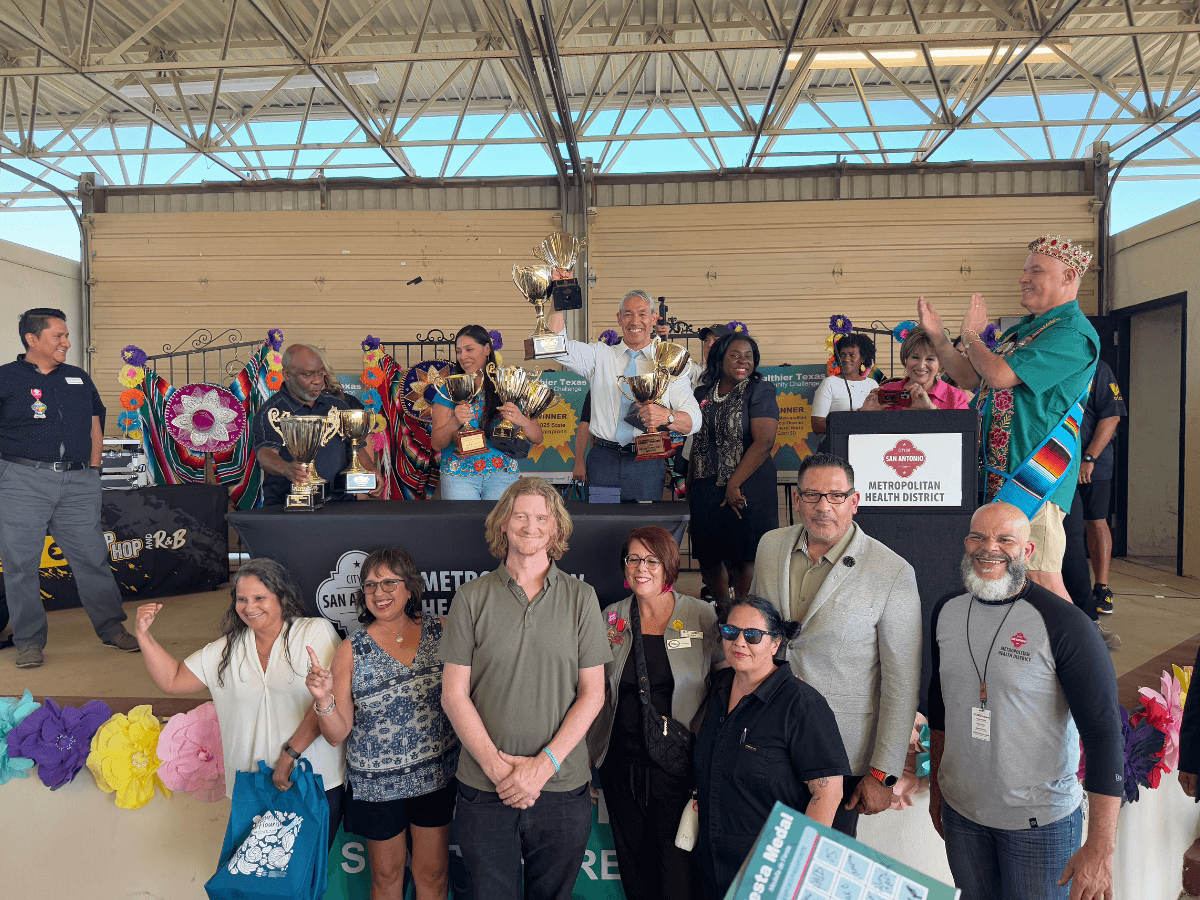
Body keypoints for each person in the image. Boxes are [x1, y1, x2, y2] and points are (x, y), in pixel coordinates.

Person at [927, 502, 1123, 900]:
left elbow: (1103, 734)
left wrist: (1102, 845)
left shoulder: (1066, 624)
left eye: (1005, 539)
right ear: (966, 544)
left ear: (1027, 551)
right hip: (964, 816)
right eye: (978, 537)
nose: (989, 548)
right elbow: (940, 704)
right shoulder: (946, 611)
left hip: (1041, 825)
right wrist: (937, 789)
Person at [440, 477, 610, 900]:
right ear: (502, 524)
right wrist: (500, 771)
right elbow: (453, 694)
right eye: (520, 516)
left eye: (541, 518)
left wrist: (541, 767)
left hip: (561, 786)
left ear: (556, 530)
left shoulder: (582, 598)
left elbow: (594, 694)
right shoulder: (470, 597)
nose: (530, 526)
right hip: (485, 786)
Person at [918, 236, 1100, 601]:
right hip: (1000, 477)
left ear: (1067, 277)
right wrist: (939, 338)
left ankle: (1077, 656)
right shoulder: (1026, 329)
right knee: (1004, 576)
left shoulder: (1072, 333)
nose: (1023, 278)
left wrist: (970, 335)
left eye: (1036, 270)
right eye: (1024, 270)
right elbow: (972, 376)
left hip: (1035, 478)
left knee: (1041, 577)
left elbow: (998, 374)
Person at [750, 452, 921, 837]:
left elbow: (901, 684)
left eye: (835, 496)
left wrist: (883, 774)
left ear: (854, 501)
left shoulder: (893, 572)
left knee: (819, 870)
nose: (823, 506)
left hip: (840, 754)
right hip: (765, 740)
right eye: (811, 495)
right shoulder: (770, 547)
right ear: (796, 500)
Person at [134, 558, 346, 841]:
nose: (249, 607)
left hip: (313, 781)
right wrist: (143, 635)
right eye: (242, 599)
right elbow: (173, 680)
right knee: (258, 881)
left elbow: (320, 703)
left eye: (260, 598)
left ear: (281, 597)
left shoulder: (313, 632)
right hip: (251, 787)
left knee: (304, 879)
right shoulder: (227, 648)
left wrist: (289, 756)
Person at [304, 547, 459, 900]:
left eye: (389, 582)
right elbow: (337, 733)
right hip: (377, 785)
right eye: (370, 585)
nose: (379, 593)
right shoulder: (351, 649)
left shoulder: (443, 629)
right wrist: (324, 699)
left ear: (410, 588)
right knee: (387, 877)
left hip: (434, 775)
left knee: (432, 875)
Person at [0, 307, 139, 669]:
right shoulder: (5, 379)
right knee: (21, 565)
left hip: (79, 482)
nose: (67, 342)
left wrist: (93, 470)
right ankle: (29, 641)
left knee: (92, 558)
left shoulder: (78, 378)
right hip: (22, 480)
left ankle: (112, 629)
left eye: (66, 335)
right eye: (58, 336)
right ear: (32, 339)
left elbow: (96, 425)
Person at [586, 526, 720, 900]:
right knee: (634, 871)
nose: (641, 568)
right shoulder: (611, 619)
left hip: (678, 768)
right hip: (619, 766)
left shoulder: (701, 615)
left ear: (669, 565)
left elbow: (724, 687)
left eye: (651, 560)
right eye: (633, 559)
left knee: (676, 875)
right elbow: (590, 691)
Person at [693, 595, 850, 900]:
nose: (739, 642)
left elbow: (828, 792)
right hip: (712, 865)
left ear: (775, 644)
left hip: (770, 871)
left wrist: (795, 871)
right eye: (731, 632)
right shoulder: (719, 686)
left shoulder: (803, 705)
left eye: (752, 635)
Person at [547, 290, 701, 502]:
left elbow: (695, 419)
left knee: (643, 531)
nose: (635, 321)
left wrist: (666, 417)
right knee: (602, 529)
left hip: (646, 461)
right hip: (604, 461)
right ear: (619, 318)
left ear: (654, 319)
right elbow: (554, 347)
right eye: (628, 314)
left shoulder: (669, 362)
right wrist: (560, 294)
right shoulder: (599, 356)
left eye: (643, 314)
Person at [689, 332, 779, 600]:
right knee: (708, 556)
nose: (744, 361)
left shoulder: (760, 390)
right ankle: (723, 611)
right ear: (719, 358)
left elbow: (764, 442)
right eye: (735, 355)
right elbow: (698, 440)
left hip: (747, 487)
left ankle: (742, 612)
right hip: (706, 487)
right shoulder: (702, 393)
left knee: (744, 557)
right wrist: (691, 488)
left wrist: (734, 484)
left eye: (749, 356)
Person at [252, 343, 378, 507]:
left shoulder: (338, 406)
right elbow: (266, 455)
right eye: (308, 375)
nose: (318, 381)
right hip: (287, 506)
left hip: (340, 503)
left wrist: (371, 473)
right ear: (287, 374)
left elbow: (357, 448)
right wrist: (287, 469)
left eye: (320, 373)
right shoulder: (271, 411)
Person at [431, 325, 543, 501]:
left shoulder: (508, 384)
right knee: (463, 528)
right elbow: (437, 444)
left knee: (500, 528)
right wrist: (455, 421)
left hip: (502, 475)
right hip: (460, 476)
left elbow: (538, 437)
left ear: (487, 350)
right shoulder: (449, 390)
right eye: (459, 351)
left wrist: (522, 420)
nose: (463, 356)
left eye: (470, 349)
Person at [1077, 359, 1126, 615]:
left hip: (1093, 463)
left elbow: (1112, 417)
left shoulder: (1099, 369)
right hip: (1056, 461)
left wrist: (1089, 458)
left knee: (1096, 520)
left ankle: (1102, 587)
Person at [860, 326, 974, 411]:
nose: (921, 365)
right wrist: (865, 414)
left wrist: (932, 410)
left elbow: (963, 439)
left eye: (930, 359)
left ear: (942, 364)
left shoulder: (956, 398)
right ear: (906, 359)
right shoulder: (887, 391)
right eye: (915, 357)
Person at [810, 332, 877, 435]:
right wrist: (856, 420)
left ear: (863, 358)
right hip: (838, 447)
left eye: (852, 355)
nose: (846, 359)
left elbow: (878, 421)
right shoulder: (829, 383)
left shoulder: (872, 385)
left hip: (867, 446)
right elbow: (817, 425)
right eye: (842, 355)